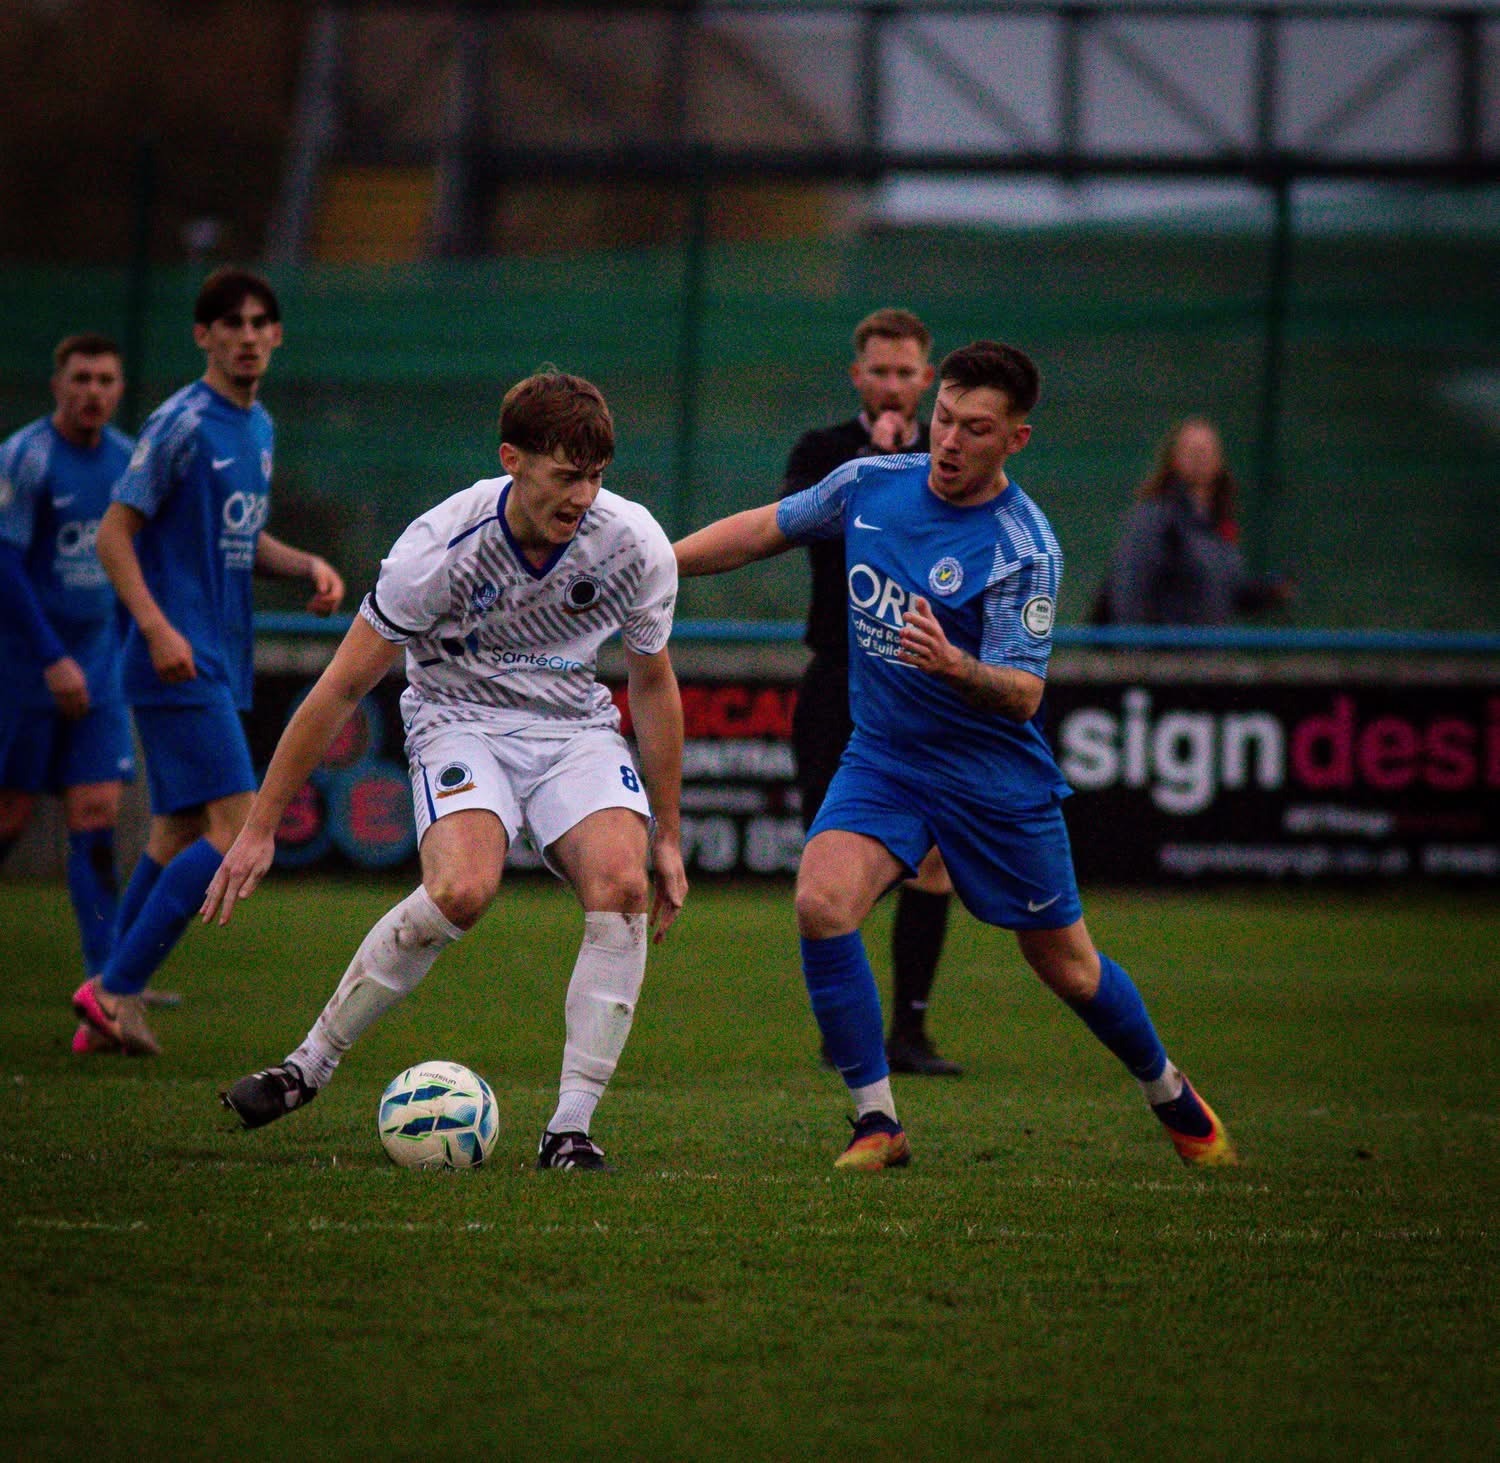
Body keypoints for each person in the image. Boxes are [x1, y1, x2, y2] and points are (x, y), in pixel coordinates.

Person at [674, 340, 1237, 1172]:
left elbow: (1023, 693)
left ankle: (1172, 1094)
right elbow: (763, 529)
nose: (948, 440)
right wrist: (655, 567)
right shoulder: (871, 483)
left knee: (1067, 965)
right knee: (823, 901)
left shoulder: (1023, 546)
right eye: (943, 418)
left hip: (989, 777)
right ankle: (877, 1122)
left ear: (1015, 438)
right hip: (888, 756)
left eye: (975, 428)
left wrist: (954, 665)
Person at [204, 369, 687, 1173]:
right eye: (567, 475)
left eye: (597, 476)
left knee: (623, 885)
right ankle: (306, 1067)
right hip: (459, 719)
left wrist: (667, 831)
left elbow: (653, 682)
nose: (583, 495)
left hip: (573, 727)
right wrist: (259, 826)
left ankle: (570, 1129)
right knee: (462, 888)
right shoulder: (438, 548)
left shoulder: (633, 542)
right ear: (511, 459)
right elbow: (341, 687)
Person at [71, 268, 346, 1056]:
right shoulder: (182, 422)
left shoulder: (256, 426)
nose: (248, 335)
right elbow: (114, 534)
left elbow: (236, 535)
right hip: (178, 656)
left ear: (277, 334)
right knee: (234, 829)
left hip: (215, 652)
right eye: (232, 323)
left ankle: (107, 1002)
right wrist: (157, 628)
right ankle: (114, 992)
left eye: (261, 322)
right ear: (204, 336)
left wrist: (304, 564)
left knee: (176, 831)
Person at [783, 307, 960, 1077]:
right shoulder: (824, 452)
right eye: (879, 372)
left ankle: (910, 1031)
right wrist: (873, 465)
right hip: (838, 676)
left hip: (920, 683)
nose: (891, 386)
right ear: (858, 376)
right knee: (836, 861)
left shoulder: (951, 459)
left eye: (905, 372)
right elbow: (798, 526)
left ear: (927, 378)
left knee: (935, 857)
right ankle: (848, 1026)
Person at [0, 334, 148, 1050]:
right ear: (58, 383)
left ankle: (105, 994)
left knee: (96, 817)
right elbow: (6, 567)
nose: (94, 390)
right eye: (82, 378)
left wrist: (121, 652)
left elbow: (132, 565)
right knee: (10, 815)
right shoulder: (25, 456)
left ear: (119, 389)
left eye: (106, 379)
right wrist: (51, 658)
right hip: (22, 667)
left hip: (98, 666)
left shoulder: (126, 462)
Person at [1099, 416, 1296, 626]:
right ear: (1173, 459)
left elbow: (1227, 592)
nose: (1199, 457)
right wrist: (1138, 643)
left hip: (1210, 645)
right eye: (1191, 450)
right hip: (1169, 645)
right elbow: (1130, 587)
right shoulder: (1155, 517)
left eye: (1206, 450)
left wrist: (1268, 592)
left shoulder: (1219, 523)